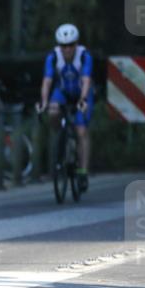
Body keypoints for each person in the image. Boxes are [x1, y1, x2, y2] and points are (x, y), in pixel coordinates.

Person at [38, 23, 93, 192]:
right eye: (63, 45)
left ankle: (82, 171)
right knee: (53, 110)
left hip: (81, 93)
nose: (67, 49)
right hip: (62, 91)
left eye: (71, 45)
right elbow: (47, 81)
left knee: (81, 131)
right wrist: (44, 101)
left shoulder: (84, 56)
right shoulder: (53, 56)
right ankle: (59, 135)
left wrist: (83, 99)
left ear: (76, 44)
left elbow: (86, 80)